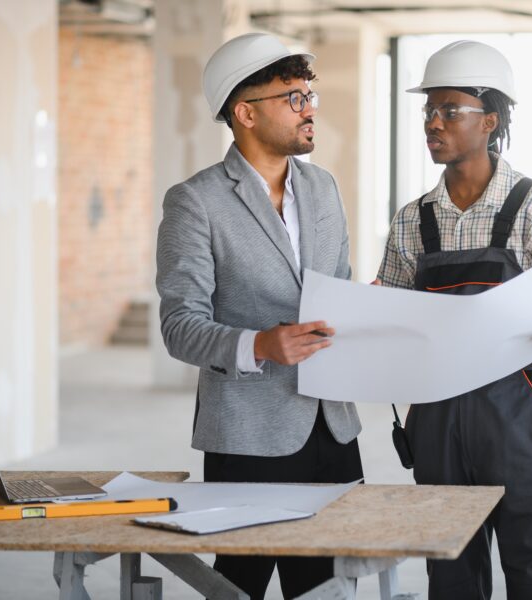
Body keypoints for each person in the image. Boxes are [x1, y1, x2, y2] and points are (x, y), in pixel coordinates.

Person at [377, 40, 532, 600]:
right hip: (437, 431)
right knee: (451, 581)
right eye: (428, 110)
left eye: (449, 110)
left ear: (491, 120)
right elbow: (393, 328)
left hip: (520, 430)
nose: (433, 122)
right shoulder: (413, 221)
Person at [155, 33, 362, 600]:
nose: (310, 108)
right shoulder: (194, 202)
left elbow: (336, 288)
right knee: (240, 584)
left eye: (310, 94)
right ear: (245, 113)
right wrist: (259, 346)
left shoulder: (323, 189)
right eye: (293, 97)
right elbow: (180, 324)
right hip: (249, 432)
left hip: (333, 424)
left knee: (327, 585)